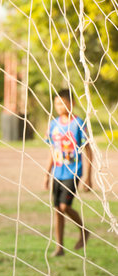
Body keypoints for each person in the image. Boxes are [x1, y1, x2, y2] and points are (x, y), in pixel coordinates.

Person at [43, 89, 92, 257]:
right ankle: (59, 247)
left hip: (73, 172)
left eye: (63, 103)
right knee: (57, 209)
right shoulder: (53, 124)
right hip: (57, 172)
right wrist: (47, 174)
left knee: (65, 206)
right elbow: (52, 150)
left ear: (72, 103)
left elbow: (88, 150)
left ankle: (84, 231)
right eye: (56, 103)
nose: (59, 106)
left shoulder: (79, 123)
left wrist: (88, 177)